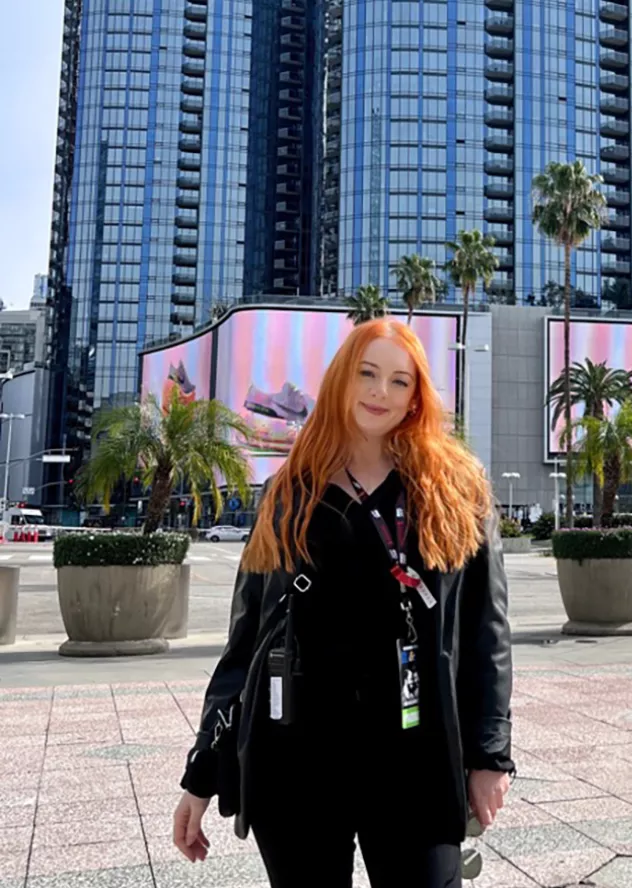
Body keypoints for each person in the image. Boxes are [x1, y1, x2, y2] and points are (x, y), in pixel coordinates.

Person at [172, 319, 514, 888]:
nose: (381, 392)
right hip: (298, 761)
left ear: (416, 397)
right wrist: (202, 772)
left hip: (415, 756)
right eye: (367, 373)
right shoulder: (289, 493)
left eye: (399, 381)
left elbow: (486, 633)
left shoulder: (457, 490)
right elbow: (246, 643)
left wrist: (490, 755)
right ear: (340, 381)